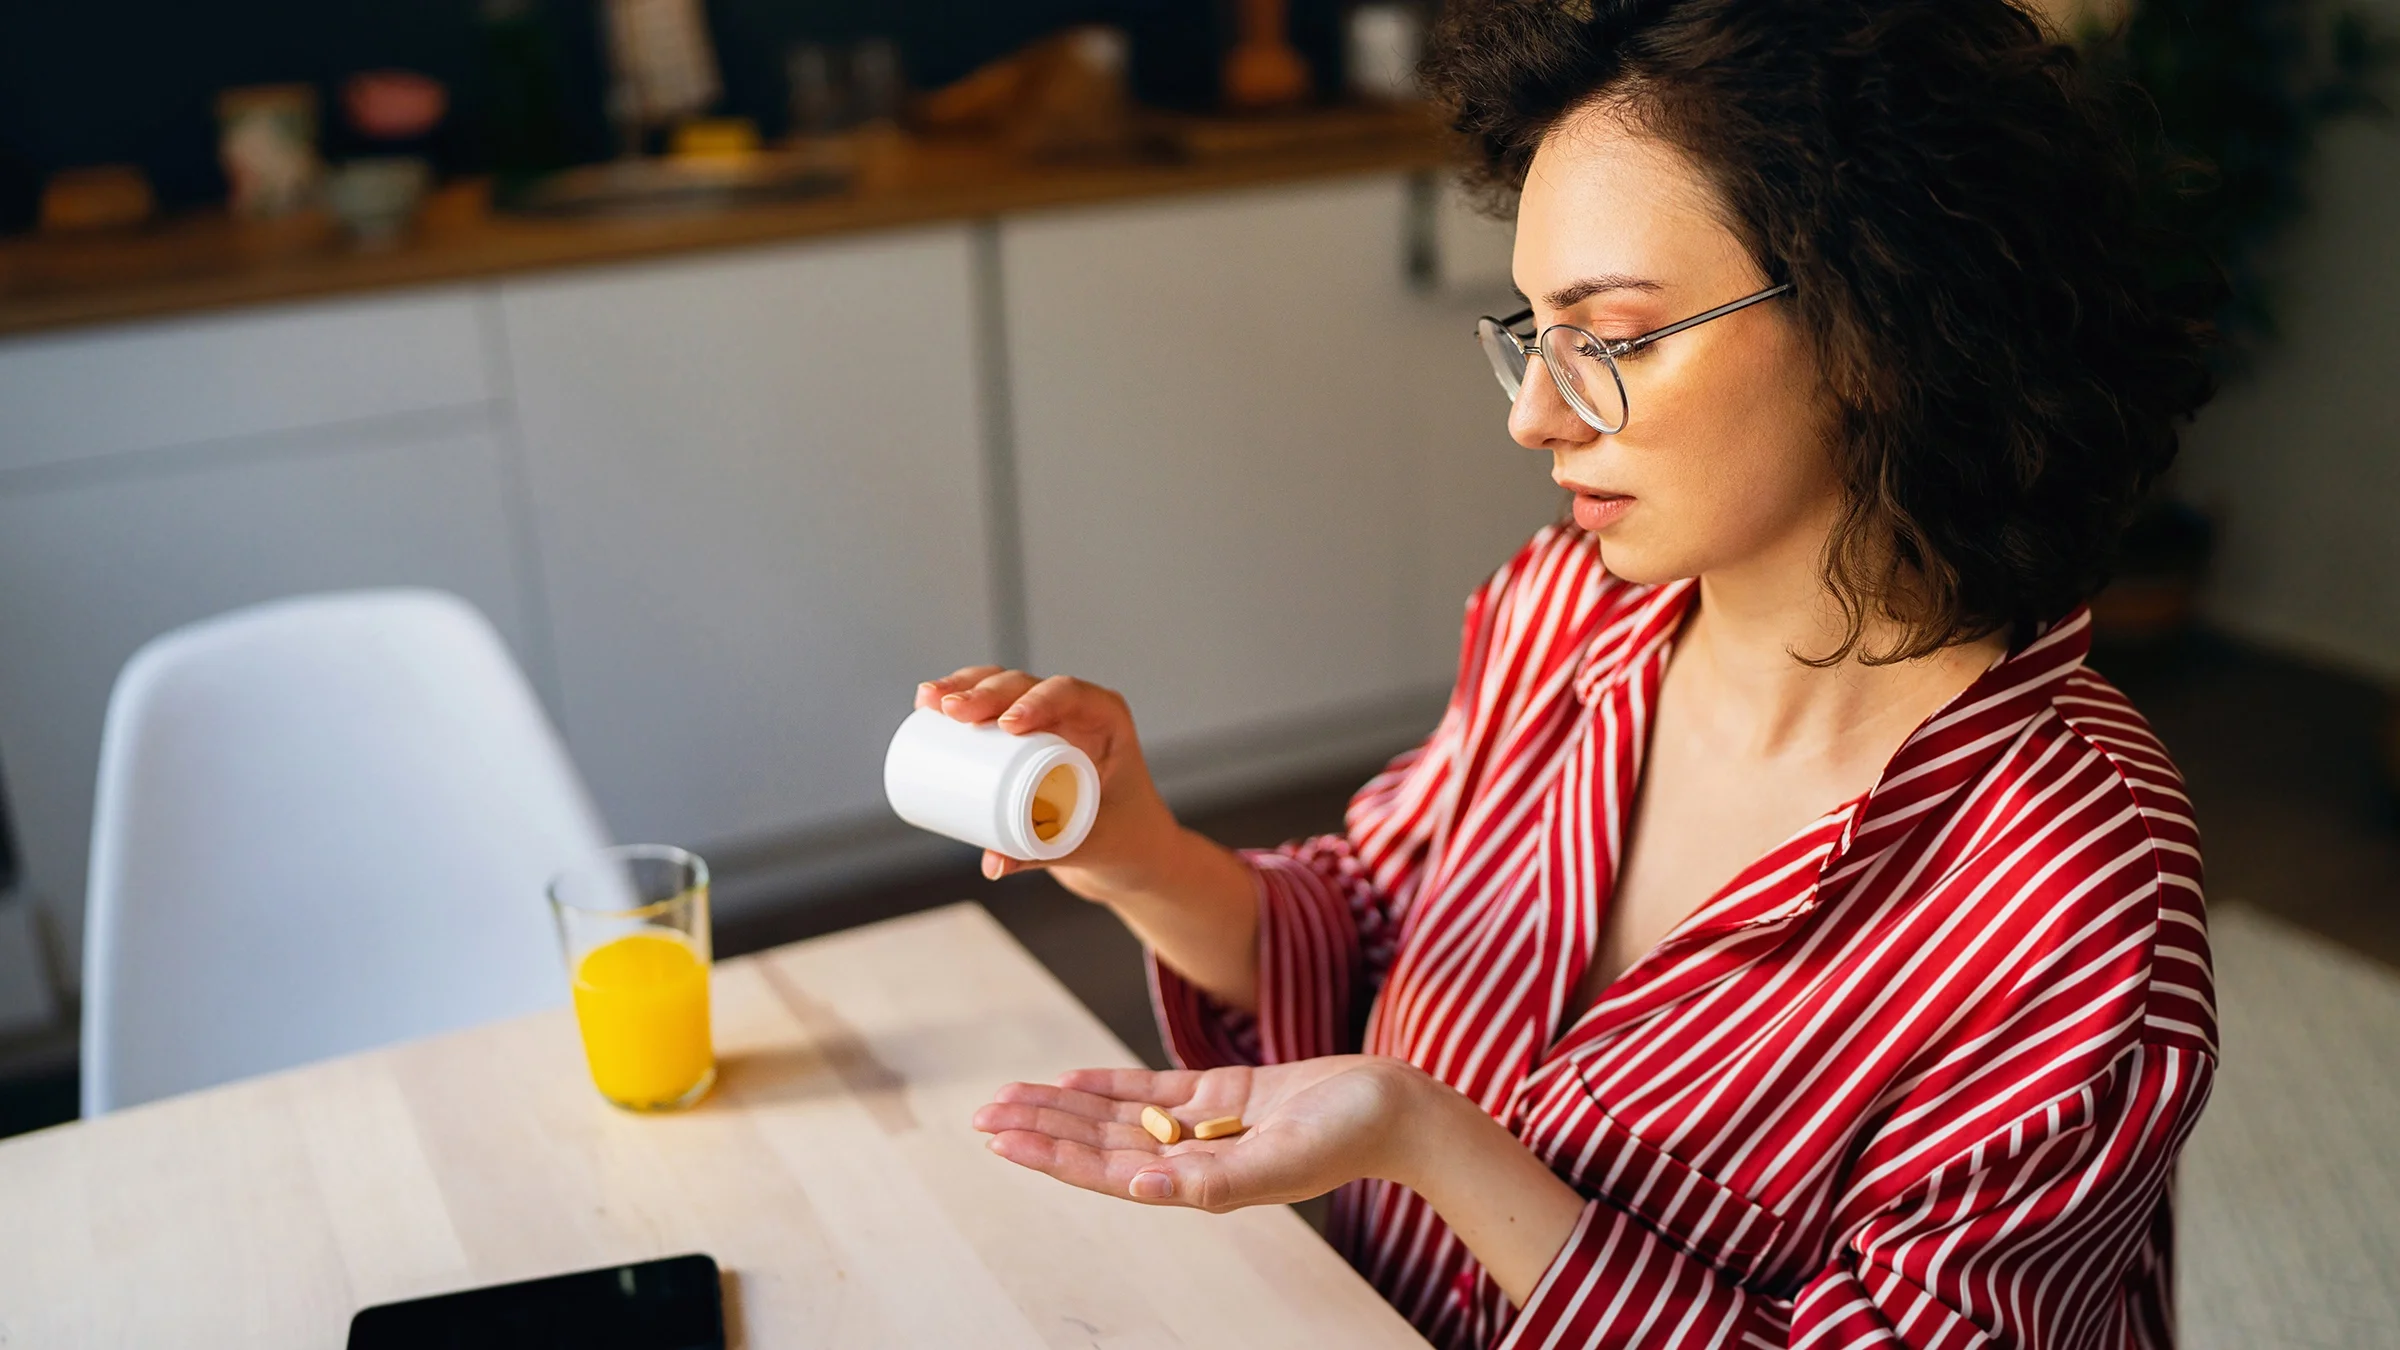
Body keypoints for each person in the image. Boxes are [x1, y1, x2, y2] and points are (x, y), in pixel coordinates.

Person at [949, 1, 2219, 1344]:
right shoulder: (1560, 615)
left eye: (1609, 338)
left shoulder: (2080, 892)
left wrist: (1433, 1139)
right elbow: (1370, 926)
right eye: (1531, 335)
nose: (1531, 414)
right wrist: (1126, 841)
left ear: (1880, 325)